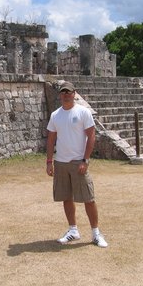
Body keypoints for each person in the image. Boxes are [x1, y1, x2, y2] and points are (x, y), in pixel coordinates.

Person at [46, 81, 108, 247]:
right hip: (61, 162)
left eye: (69, 92)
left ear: (74, 94)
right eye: (63, 92)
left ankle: (96, 233)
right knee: (66, 197)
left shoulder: (83, 112)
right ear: (60, 95)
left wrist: (85, 160)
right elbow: (51, 139)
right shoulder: (55, 115)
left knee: (88, 198)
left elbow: (91, 136)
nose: (66, 94)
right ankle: (73, 230)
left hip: (78, 162)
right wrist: (49, 161)